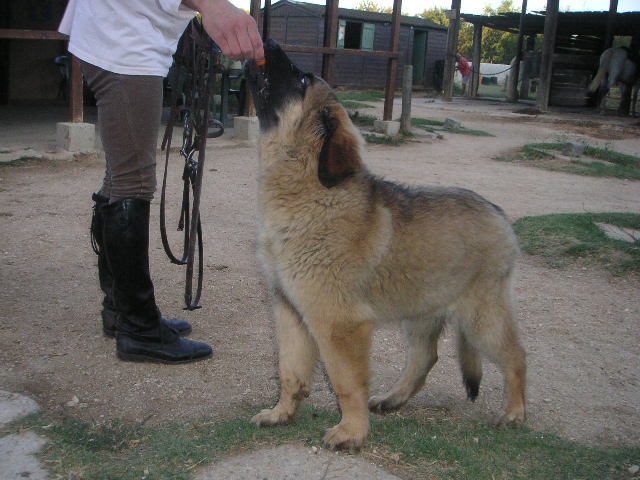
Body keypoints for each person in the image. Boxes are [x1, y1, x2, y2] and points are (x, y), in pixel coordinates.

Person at [58, 0, 264, 364]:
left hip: (119, 30)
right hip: (123, 35)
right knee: (132, 182)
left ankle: (121, 311)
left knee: (120, 178)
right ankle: (138, 329)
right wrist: (212, 6)